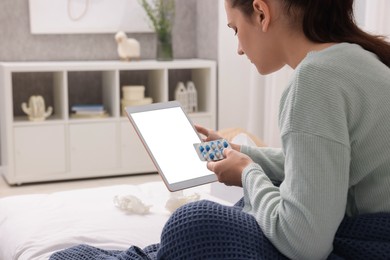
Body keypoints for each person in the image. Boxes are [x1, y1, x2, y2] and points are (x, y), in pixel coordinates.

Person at [51, 0, 390, 259]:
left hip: (367, 243)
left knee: (194, 222)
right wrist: (241, 154)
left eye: (234, 30)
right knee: (234, 209)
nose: (239, 48)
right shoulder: (357, 59)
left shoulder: (315, 81)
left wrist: (247, 173)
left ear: (260, 12)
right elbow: (319, 168)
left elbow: (306, 244)